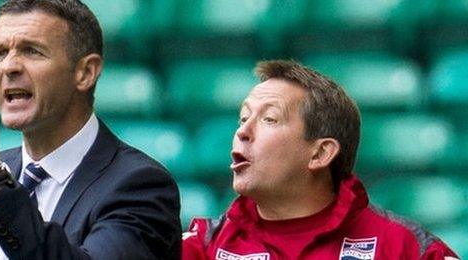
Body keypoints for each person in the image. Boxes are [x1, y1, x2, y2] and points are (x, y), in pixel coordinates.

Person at [0, 0, 181, 259]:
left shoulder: (139, 185)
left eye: (32, 51)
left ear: (85, 72)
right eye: (0, 53)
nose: (9, 67)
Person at [182, 60, 458, 259]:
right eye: (243, 118)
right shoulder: (203, 246)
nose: (242, 131)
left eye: (269, 119)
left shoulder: (404, 248)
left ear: (320, 153)